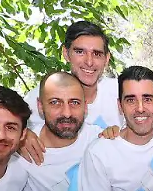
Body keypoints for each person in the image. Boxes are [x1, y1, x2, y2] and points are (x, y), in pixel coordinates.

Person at [21, 21, 120, 163]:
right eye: (80, 52)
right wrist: (22, 137)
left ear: (106, 59)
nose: (89, 62)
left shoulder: (122, 93)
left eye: (97, 54)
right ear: (66, 53)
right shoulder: (41, 97)